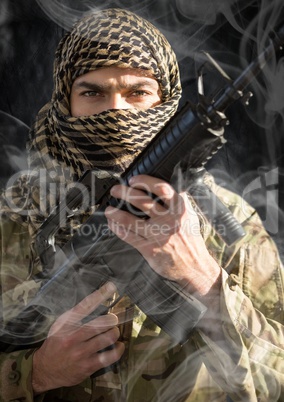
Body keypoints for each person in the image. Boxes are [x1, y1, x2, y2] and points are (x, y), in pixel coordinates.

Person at [0, 8, 283, 402]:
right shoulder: (14, 217)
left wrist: (203, 278)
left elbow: (277, 381)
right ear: (65, 102)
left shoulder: (232, 222)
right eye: (92, 92)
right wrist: (35, 373)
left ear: (165, 103)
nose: (117, 111)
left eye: (138, 92)